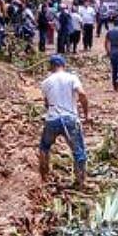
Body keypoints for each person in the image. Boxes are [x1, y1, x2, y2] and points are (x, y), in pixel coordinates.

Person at [38, 55, 89, 188]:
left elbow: (47, 103)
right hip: (70, 119)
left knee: (44, 146)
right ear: (63, 65)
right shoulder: (72, 78)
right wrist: (86, 114)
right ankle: (80, 181)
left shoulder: (45, 82)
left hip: (52, 119)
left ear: (51, 67)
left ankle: (44, 176)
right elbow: (82, 94)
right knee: (78, 151)